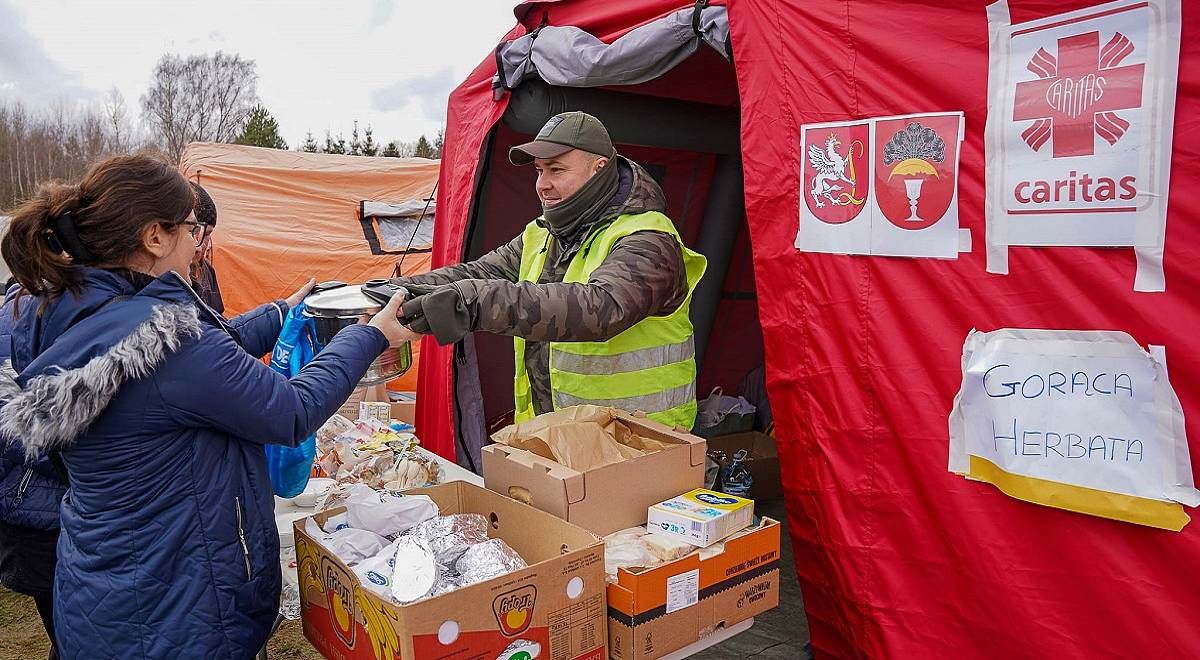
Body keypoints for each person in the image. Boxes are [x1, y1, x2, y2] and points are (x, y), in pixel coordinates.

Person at [0, 154, 415, 659]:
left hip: (103, 593)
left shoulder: (70, 309)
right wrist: (368, 336)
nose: (199, 241)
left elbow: (194, 368)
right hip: (174, 612)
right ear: (155, 236)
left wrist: (281, 311)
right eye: (192, 228)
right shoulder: (168, 338)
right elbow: (289, 411)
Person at [392, 111, 707, 429]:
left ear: (598, 170)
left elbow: (601, 309)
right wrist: (396, 290)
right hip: (556, 437)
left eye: (556, 170)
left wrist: (473, 302)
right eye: (539, 171)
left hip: (640, 442)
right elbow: (479, 274)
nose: (543, 185)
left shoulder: (649, 236)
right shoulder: (541, 233)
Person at [188, 182, 224, 313]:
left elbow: (218, 320)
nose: (205, 244)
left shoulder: (207, 271)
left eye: (209, 234)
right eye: (205, 232)